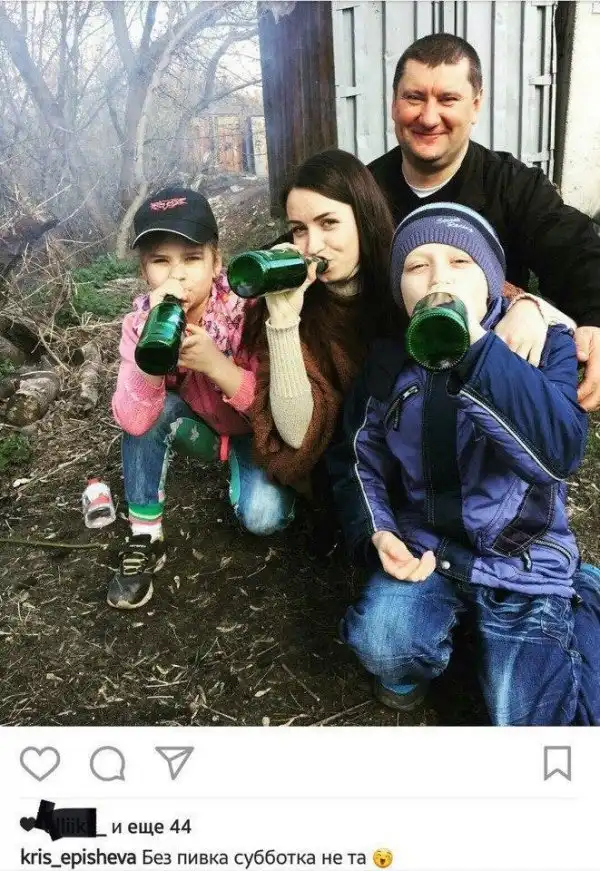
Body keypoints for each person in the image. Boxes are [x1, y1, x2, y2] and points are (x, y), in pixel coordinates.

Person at [327, 202, 600, 725]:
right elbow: (360, 458)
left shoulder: (543, 342)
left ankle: (580, 594)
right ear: (400, 289)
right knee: (382, 646)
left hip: (523, 561)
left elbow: (560, 454)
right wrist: (378, 531)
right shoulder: (387, 363)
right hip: (431, 550)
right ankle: (448, 639)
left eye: (460, 262)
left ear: (492, 283)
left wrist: (478, 351)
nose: (438, 279)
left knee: (530, 722)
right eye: (416, 266)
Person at [243, 149, 567, 504]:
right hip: (356, 472)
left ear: (362, 216)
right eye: (299, 230)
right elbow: (297, 435)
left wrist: (529, 307)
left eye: (329, 223)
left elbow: (489, 289)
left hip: (440, 465)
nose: (312, 246)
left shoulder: (413, 263)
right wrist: (284, 321)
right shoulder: (297, 303)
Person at [368, 33, 600, 411]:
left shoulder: (512, 185)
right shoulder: (362, 191)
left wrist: (596, 318)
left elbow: (575, 248)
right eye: (414, 97)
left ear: (475, 106)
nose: (429, 117)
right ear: (394, 104)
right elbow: (306, 241)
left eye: (448, 99)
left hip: (490, 388)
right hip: (390, 392)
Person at [109, 187, 293, 609]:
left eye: (192, 258)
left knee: (264, 518)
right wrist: (150, 360)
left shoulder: (249, 311)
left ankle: (247, 471)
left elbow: (275, 408)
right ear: (144, 271)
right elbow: (133, 420)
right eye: (161, 261)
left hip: (254, 432)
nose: (177, 276)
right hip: (197, 428)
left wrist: (216, 365)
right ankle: (145, 536)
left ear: (216, 262)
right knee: (151, 408)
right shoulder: (140, 323)